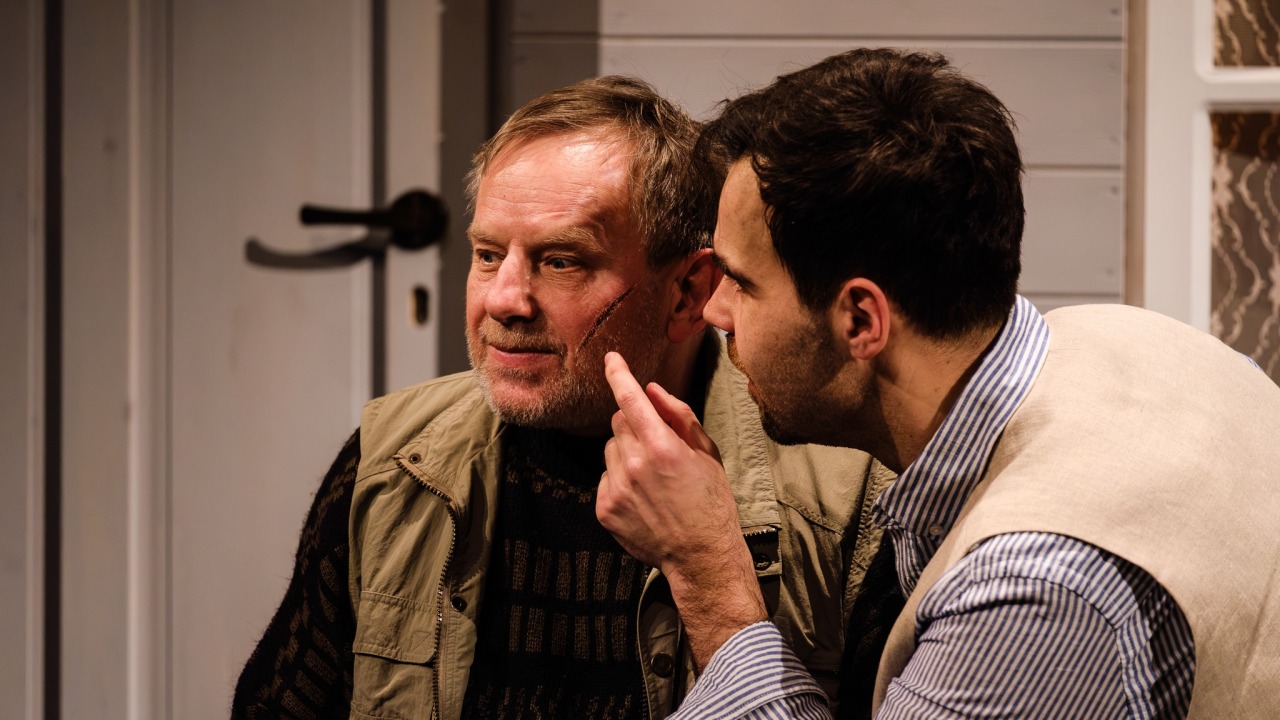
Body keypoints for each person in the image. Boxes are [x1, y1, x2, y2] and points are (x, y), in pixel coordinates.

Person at [597, 48, 1280, 720]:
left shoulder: (1033, 589)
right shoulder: (1139, 336)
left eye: (743, 284)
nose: (715, 311)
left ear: (860, 319)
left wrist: (710, 579)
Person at [231, 75, 899, 720]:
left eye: (561, 261)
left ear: (688, 294)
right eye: (487, 254)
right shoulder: (396, 459)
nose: (504, 300)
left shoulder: (845, 503)